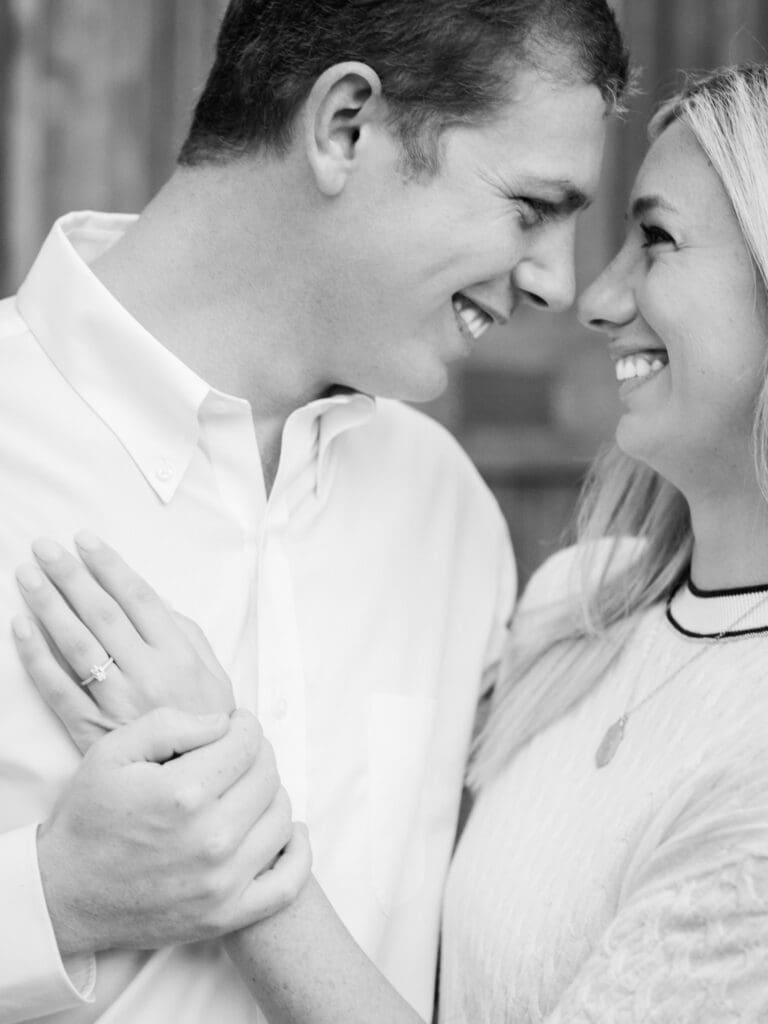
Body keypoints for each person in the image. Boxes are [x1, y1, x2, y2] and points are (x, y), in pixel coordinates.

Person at [15, 62, 768, 1024]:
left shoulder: (442, 508)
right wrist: (48, 899)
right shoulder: (574, 611)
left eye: (651, 237)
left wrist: (227, 823)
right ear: (345, 126)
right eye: (533, 206)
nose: (570, 288)